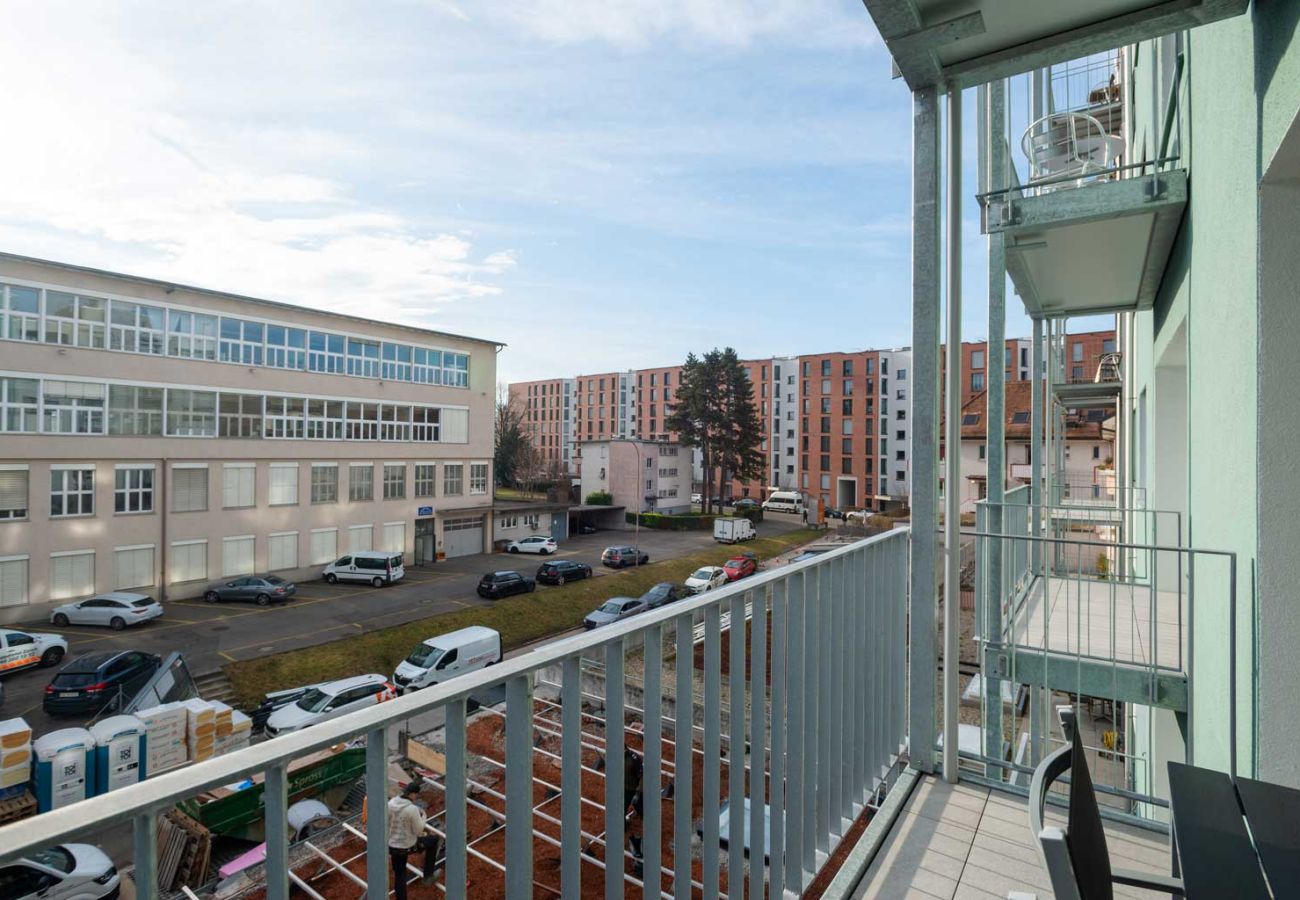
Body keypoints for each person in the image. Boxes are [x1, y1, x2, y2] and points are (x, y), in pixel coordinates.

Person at [387, 780, 442, 899]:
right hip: (407, 845)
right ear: (413, 794)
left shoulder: (391, 803)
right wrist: (423, 816)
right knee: (433, 841)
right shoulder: (411, 809)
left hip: (392, 845)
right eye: (417, 795)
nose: (417, 797)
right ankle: (428, 876)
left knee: (400, 875)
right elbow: (418, 831)